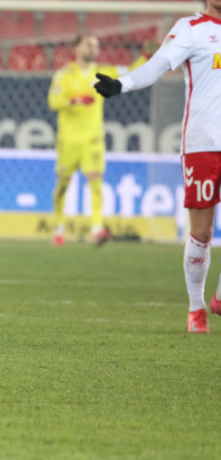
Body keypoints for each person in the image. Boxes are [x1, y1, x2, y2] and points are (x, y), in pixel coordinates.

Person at [94, 0, 221, 333]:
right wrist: (122, 83)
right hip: (202, 143)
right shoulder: (191, 29)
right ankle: (196, 307)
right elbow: (158, 64)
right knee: (202, 232)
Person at [48, 35, 147, 247]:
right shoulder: (64, 75)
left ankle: (96, 229)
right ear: (76, 47)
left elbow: (131, 71)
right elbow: (54, 102)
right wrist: (74, 100)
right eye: (89, 44)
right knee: (63, 186)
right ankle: (58, 226)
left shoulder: (102, 72)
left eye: (96, 45)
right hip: (69, 140)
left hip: (93, 139)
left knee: (96, 183)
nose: (94, 48)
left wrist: (147, 57)